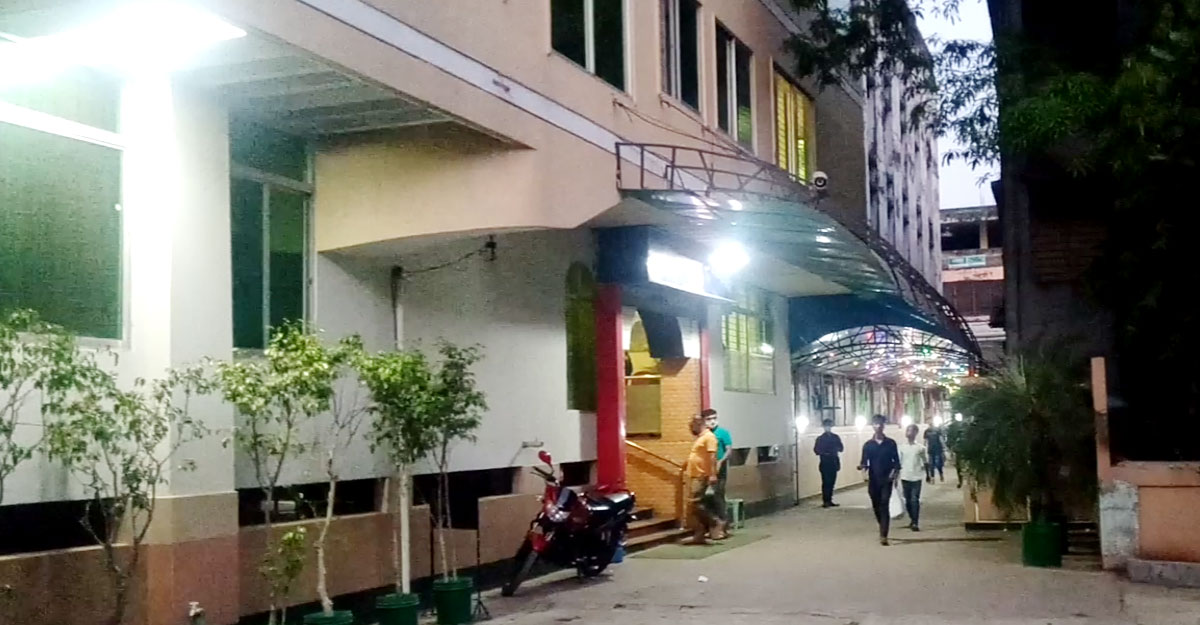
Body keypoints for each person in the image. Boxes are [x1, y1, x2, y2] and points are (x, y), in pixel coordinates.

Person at [858, 414, 900, 545]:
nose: (878, 426)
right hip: (873, 480)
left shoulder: (890, 443)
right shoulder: (868, 445)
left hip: (887, 479)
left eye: (880, 424)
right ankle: (882, 524)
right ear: (872, 426)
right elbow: (864, 462)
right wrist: (863, 473)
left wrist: (893, 474)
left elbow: (896, 462)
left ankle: (884, 535)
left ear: (884, 426)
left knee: (884, 504)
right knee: (876, 505)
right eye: (876, 424)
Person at [685, 414, 724, 544]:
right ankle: (700, 532)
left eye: (692, 426)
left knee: (694, 503)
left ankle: (714, 521)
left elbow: (712, 457)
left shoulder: (709, 437)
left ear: (699, 424)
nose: (691, 429)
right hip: (694, 474)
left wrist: (712, 474)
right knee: (695, 505)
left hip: (701, 475)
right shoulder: (701, 438)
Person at [703, 408, 733, 536]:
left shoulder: (723, 433)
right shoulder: (704, 434)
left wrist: (721, 461)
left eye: (714, 418)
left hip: (720, 469)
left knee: (718, 496)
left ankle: (723, 526)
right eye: (709, 419)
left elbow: (729, 449)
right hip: (706, 469)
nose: (712, 421)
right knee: (706, 499)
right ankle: (712, 526)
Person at [898, 424, 929, 531]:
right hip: (905, 476)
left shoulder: (920, 448)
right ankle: (912, 519)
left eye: (911, 430)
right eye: (907, 430)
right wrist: (896, 476)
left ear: (916, 433)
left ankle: (915, 522)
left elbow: (925, 461)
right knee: (907, 500)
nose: (908, 432)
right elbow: (899, 462)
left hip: (916, 476)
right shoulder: (902, 447)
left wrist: (928, 475)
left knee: (914, 499)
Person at [813, 418, 844, 508]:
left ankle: (829, 500)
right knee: (826, 482)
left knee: (832, 482)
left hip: (833, 461)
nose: (828, 428)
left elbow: (841, 448)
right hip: (825, 462)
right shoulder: (820, 439)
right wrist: (826, 452)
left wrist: (834, 449)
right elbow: (816, 450)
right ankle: (826, 500)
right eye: (826, 426)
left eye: (829, 426)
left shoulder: (835, 437)